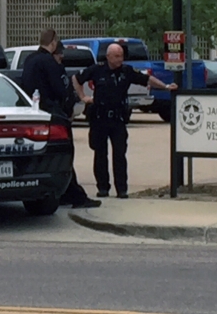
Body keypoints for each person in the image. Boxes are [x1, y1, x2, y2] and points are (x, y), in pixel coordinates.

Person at [73, 42, 176, 198]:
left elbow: (147, 79)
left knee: (119, 154)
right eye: (116, 56)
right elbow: (76, 78)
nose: (120, 59)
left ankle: (122, 189)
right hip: (100, 118)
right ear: (108, 57)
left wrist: (166, 86)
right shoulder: (97, 70)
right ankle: (103, 188)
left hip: (118, 119)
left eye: (121, 56)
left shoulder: (127, 71)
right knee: (100, 155)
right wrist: (83, 97)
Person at [21, 29, 101, 209]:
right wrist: (69, 109)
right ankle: (76, 196)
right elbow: (61, 89)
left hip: (34, 114)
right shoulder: (50, 62)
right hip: (54, 115)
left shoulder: (30, 60)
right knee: (65, 155)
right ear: (54, 42)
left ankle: (65, 193)